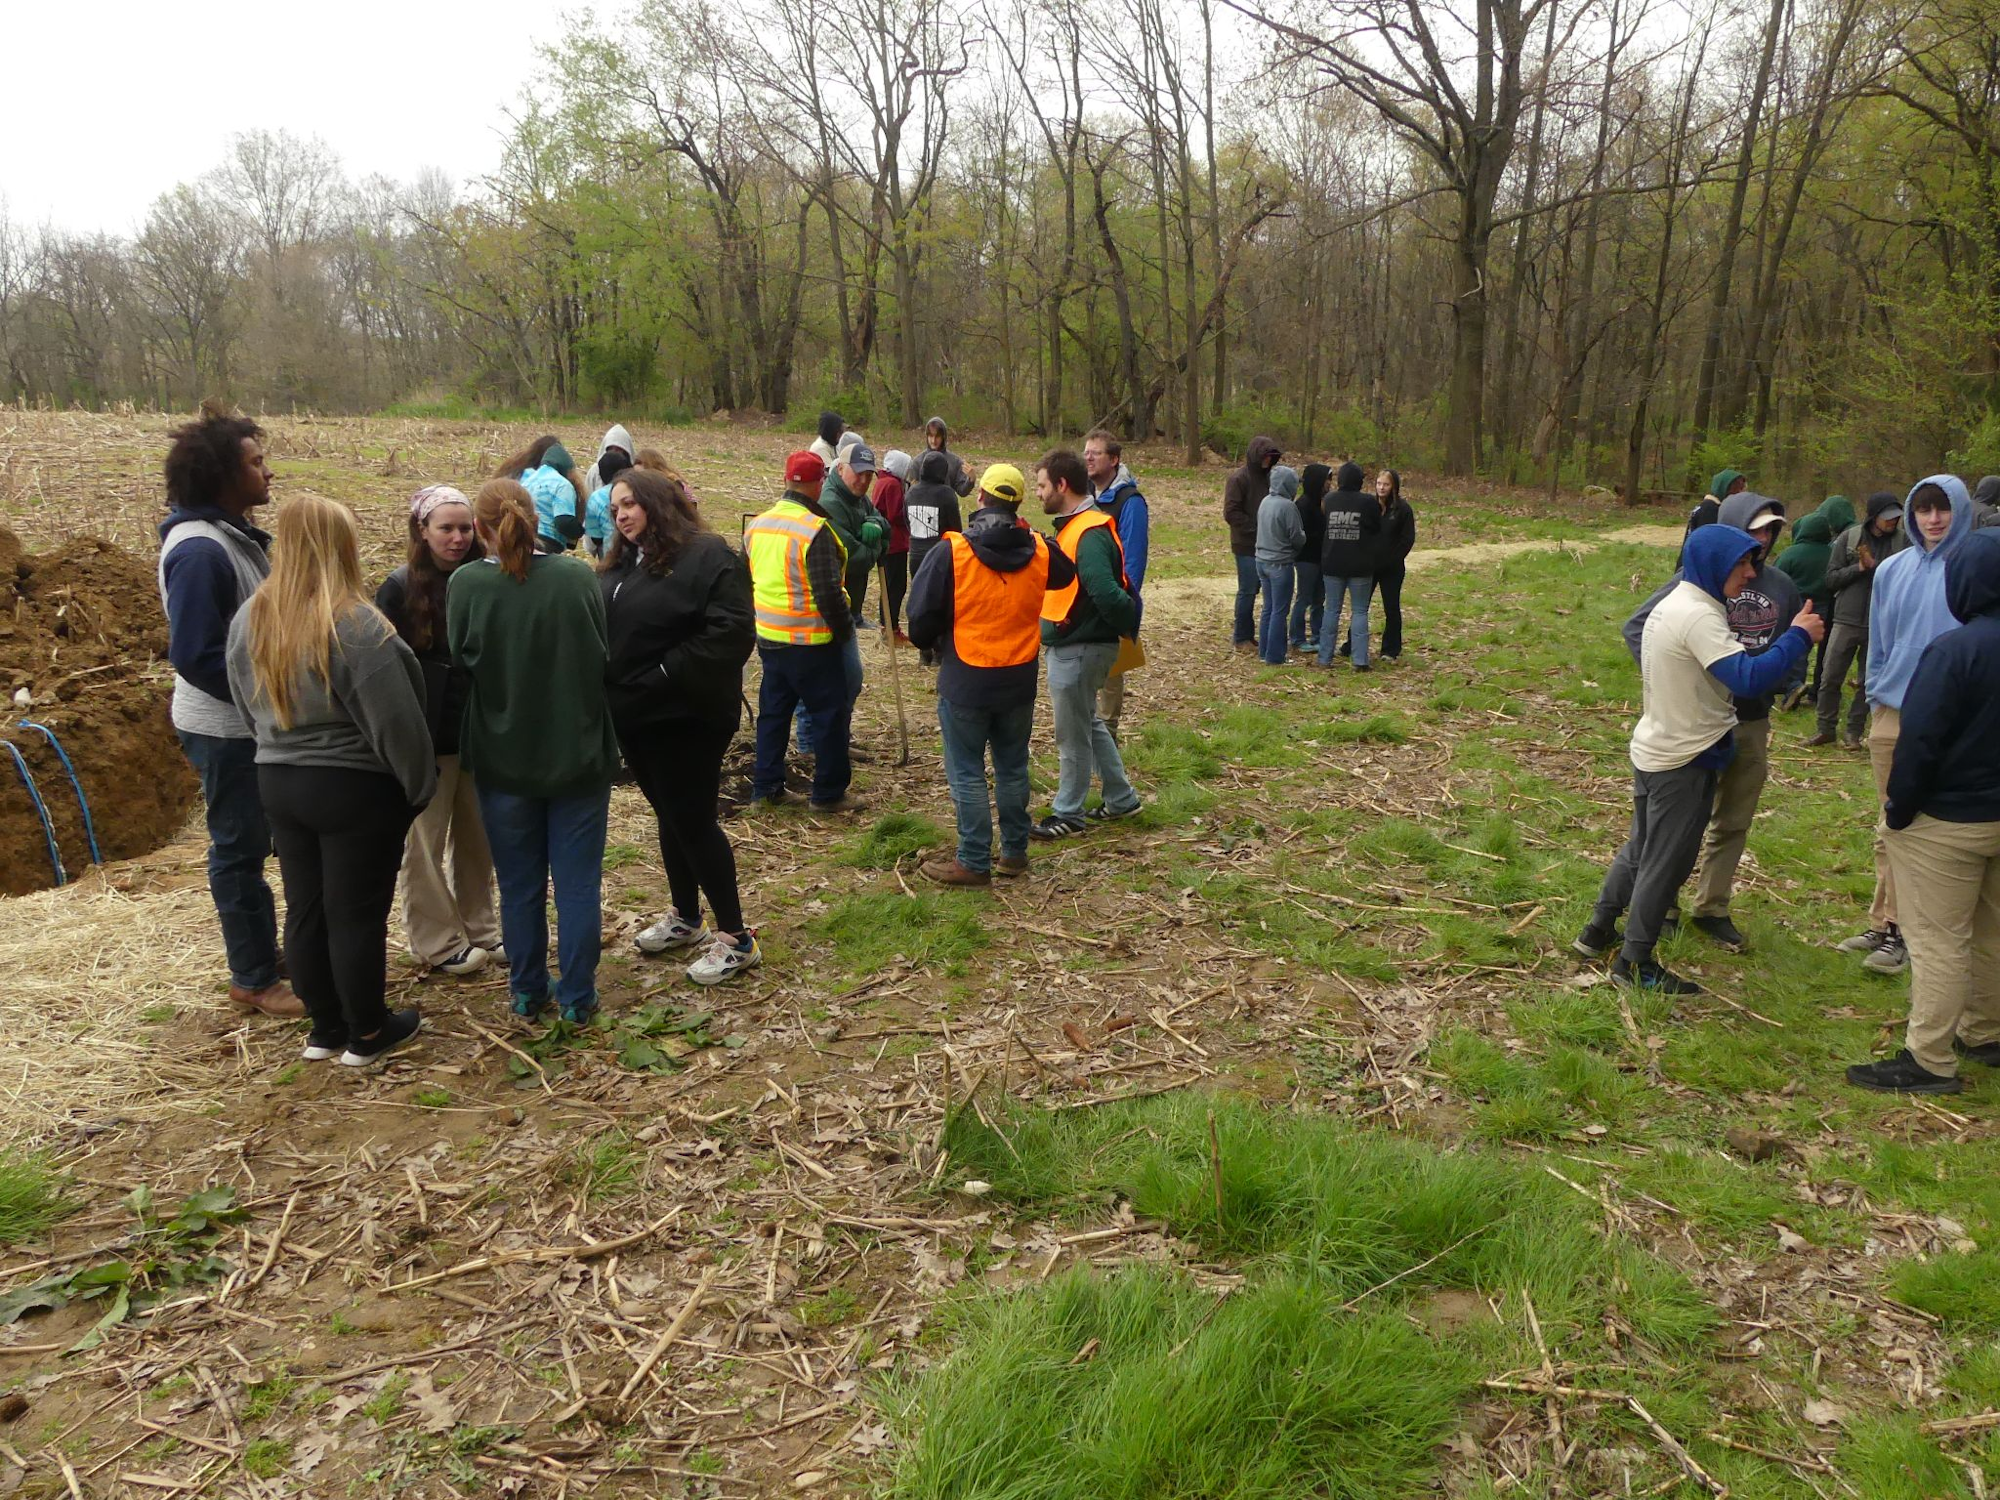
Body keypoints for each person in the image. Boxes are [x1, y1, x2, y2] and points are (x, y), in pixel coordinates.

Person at [226, 496, 435, 1069]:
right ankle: (368, 1032)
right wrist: (418, 789)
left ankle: (325, 1028)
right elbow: (396, 721)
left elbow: (245, 703)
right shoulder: (355, 622)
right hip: (351, 787)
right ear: (340, 547)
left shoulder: (251, 617)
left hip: (278, 779)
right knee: (355, 914)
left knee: (307, 907)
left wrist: (275, 747)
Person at [1575, 524, 1821, 993]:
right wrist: (1797, 637)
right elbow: (1748, 679)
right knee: (1665, 861)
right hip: (1683, 758)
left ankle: (1597, 931)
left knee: (1641, 848)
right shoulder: (1698, 616)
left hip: (1656, 746)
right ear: (1714, 564)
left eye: (1752, 563)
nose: (1751, 574)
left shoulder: (1677, 602)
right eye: (1742, 564)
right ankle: (1635, 963)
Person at [448, 478, 619, 1024]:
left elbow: (461, 659)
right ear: (537, 517)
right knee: (576, 884)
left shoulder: (466, 586)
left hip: (503, 759)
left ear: (479, 529)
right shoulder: (576, 578)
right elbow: (600, 656)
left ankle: (526, 990)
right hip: (577, 753)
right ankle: (577, 997)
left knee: (519, 886)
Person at [157, 408, 300, 1020]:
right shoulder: (199, 552)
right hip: (226, 728)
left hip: (251, 722)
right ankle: (253, 977)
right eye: (255, 462)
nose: (267, 472)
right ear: (222, 474)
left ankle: (268, 957)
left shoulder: (232, 536)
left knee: (261, 841)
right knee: (240, 849)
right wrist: (264, 701)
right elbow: (196, 656)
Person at [1846, 531, 2000, 1094]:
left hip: (1948, 823)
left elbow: (1920, 741)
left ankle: (1929, 1059)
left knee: (1939, 940)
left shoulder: (1954, 650)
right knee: (1992, 928)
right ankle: (1985, 1032)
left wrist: (1900, 811)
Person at [1621, 490, 1804, 952]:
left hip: (1749, 720)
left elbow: (1794, 637)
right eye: (1756, 529)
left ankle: (1713, 906)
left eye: (1771, 531)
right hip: (1694, 728)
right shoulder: (1695, 583)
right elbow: (1639, 628)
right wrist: (1674, 684)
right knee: (1676, 825)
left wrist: (1786, 683)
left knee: (1732, 819)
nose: (1762, 540)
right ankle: (1661, 906)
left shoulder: (1781, 585)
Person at [599, 468, 762, 985]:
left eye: (630, 503)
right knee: (668, 817)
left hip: (688, 715)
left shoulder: (709, 555)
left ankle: (736, 940)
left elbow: (732, 633)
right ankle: (686, 917)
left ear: (657, 502)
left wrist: (665, 672)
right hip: (636, 715)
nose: (621, 514)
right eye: (614, 508)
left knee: (692, 820)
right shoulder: (625, 562)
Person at [907, 463, 1073, 885]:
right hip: (1018, 679)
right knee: (1012, 767)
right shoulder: (1039, 550)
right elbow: (1067, 575)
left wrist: (936, 638)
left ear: (978, 497)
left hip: (966, 678)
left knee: (966, 770)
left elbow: (920, 620)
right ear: (1018, 503)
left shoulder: (954, 551)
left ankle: (974, 860)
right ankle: (1015, 853)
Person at [1846, 476, 1978, 974]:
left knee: (1927, 828)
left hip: (1952, 718)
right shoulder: (1892, 569)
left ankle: (1908, 932)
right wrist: (1879, 687)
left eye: (1942, 509)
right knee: (1890, 823)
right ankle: (1885, 923)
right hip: (1894, 711)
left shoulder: (1973, 569)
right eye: (1923, 510)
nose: (1934, 520)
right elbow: (1878, 637)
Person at [375, 486, 502, 977]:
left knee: (479, 838)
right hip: (427, 738)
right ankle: (436, 940)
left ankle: (481, 929)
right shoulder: (400, 587)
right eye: (445, 528)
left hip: (478, 734)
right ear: (422, 531)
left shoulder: (487, 579)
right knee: (424, 845)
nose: (456, 537)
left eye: (465, 528)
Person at [1033, 449, 1141, 838]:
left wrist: (1125, 621)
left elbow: (1106, 592)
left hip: (1079, 648)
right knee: (1089, 725)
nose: (1039, 493)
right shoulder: (1078, 527)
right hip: (1080, 644)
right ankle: (1121, 799)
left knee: (1072, 733)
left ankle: (1069, 813)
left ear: (1062, 485)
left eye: (1043, 485)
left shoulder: (1088, 531)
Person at [747, 453, 862, 812]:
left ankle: (766, 789)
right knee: (829, 716)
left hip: (769, 638)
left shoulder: (758, 525)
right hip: (810, 641)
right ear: (818, 485)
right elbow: (828, 593)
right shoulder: (814, 530)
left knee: (774, 714)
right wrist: (844, 633)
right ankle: (828, 794)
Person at [795, 440, 885, 752]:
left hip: (845, 604)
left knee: (848, 679)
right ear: (840, 469)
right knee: (823, 682)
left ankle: (835, 741)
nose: (863, 480)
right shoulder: (831, 502)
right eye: (858, 473)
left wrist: (873, 523)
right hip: (824, 604)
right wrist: (874, 545)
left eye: (868, 475)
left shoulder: (859, 499)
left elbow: (883, 524)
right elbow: (856, 557)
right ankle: (811, 746)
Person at [1812, 492, 1905, 749]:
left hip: (1881, 622)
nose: (1893, 522)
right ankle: (1825, 728)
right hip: (1845, 619)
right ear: (1873, 516)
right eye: (1888, 517)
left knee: (1868, 683)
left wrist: (1878, 569)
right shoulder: (1850, 538)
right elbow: (1830, 580)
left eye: (1896, 517)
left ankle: (1853, 733)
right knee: (1830, 676)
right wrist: (1859, 568)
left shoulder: (1903, 542)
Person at [1084, 429, 1149, 741]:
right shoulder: (1084, 496)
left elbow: (1134, 561)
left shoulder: (1130, 501)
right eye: (1086, 452)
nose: (1088, 457)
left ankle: (1107, 740)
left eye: (1096, 453)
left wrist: (1123, 604)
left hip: (1114, 600)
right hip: (1082, 600)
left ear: (1114, 460)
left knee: (1111, 675)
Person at [1343, 468, 1415, 660]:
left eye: (1386, 484)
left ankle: (1391, 649)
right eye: (1379, 484)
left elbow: (1407, 539)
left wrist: (1392, 559)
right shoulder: (1369, 505)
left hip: (1392, 568)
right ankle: (1351, 644)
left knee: (1391, 607)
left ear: (1394, 486)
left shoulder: (1403, 509)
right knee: (1360, 606)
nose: (1381, 488)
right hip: (1369, 565)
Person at [1316, 462, 1380, 672]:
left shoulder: (1329, 499)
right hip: (1360, 563)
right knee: (1360, 611)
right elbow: (1376, 527)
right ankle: (1360, 660)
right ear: (1360, 480)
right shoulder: (1368, 502)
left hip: (1332, 562)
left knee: (1331, 610)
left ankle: (1325, 658)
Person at [1222, 436, 1282, 654]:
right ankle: (1241, 636)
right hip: (1245, 543)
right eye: (1265, 456)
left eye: (1271, 457)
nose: (1268, 461)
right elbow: (1231, 512)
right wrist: (1257, 528)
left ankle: (1251, 634)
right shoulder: (1239, 479)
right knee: (1247, 590)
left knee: (1260, 590)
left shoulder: (1270, 478)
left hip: (1267, 544)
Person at [906, 449, 965, 666]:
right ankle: (940, 650)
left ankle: (924, 651)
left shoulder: (910, 493)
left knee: (920, 601)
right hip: (940, 556)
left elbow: (907, 522)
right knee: (942, 602)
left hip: (916, 556)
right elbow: (955, 528)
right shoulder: (946, 494)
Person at [1774, 507, 1835, 711]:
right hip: (1828, 607)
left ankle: (1793, 686)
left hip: (1799, 607)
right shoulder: (1834, 553)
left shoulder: (1790, 554)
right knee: (1826, 653)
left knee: (1798, 648)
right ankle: (1820, 691)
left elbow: (1776, 577)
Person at [499, 436, 585, 552]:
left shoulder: (525, 477)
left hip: (518, 538)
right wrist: (578, 531)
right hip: (548, 543)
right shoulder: (561, 484)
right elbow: (564, 522)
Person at [1254, 465, 1303, 665]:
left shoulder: (1265, 501)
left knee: (1268, 607)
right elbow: (1297, 537)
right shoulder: (1287, 506)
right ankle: (1275, 657)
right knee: (1279, 611)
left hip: (1261, 561)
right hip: (1280, 564)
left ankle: (1264, 652)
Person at [1290, 463, 1330, 654]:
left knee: (1319, 600)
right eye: (1327, 479)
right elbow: (1301, 534)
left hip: (1322, 558)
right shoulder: (1303, 504)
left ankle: (1318, 636)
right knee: (1304, 598)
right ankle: (1297, 638)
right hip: (1306, 559)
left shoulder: (1324, 502)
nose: (1329, 484)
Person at [876, 449, 914, 641]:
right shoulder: (891, 484)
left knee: (889, 585)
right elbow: (895, 514)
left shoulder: (882, 481)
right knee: (896, 586)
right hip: (894, 543)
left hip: (888, 543)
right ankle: (891, 628)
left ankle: (887, 625)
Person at [1677, 468, 1748, 566]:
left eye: (1742, 489)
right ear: (1724, 488)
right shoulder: (1710, 510)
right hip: (1694, 568)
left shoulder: (1710, 507)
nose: (1740, 494)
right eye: (1737, 488)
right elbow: (1706, 547)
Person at [923, 416, 976, 498]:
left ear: (943, 437)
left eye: (937, 436)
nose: (933, 441)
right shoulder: (918, 461)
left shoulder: (955, 461)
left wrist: (971, 479)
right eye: (931, 436)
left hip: (947, 507)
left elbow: (962, 491)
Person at [582, 424, 635, 497]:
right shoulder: (594, 471)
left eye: (618, 450)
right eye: (610, 449)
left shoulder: (634, 475)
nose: (614, 452)